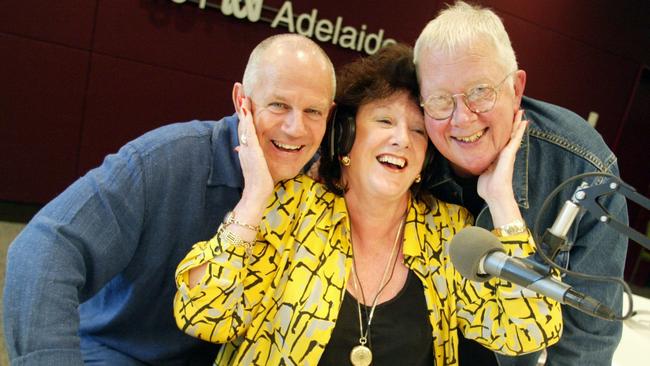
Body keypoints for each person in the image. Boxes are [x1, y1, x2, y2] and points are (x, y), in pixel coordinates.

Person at [173, 43, 562, 366]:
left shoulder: (447, 232)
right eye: (384, 121)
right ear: (345, 134)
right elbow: (204, 316)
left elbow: (530, 329)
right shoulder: (292, 208)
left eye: (416, 130)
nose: (401, 140)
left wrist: (502, 203)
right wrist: (255, 196)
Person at [3, 34, 335, 365]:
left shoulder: (321, 193)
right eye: (278, 105)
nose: (296, 128)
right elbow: (46, 248)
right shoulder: (167, 159)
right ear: (241, 101)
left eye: (313, 111)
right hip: (120, 353)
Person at [414, 2, 629, 366]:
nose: (462, 118)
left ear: (516, 88)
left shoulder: (582, 167)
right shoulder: (406, 151)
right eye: (439, 100)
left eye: (480, 91)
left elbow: (587, 341)